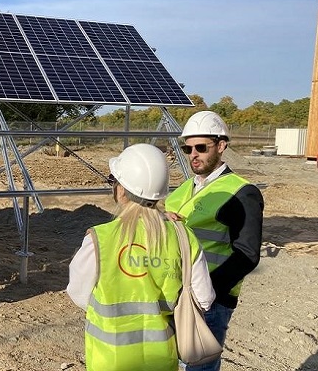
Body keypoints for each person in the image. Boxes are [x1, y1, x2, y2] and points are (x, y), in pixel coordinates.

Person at [67, 143, 215, 371]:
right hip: (161, 361)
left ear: (122, 190)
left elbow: (78, 294)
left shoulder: (99, 240)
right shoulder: (183, 236)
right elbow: (204, 299)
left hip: (109, 361)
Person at [164, 111, 264, 371]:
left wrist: (205, 293)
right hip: (176, 293)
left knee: (196, 367)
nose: (193, 154)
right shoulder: (185, 188)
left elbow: (247, 254)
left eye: (201, 147)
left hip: (210, 301)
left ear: (221, 146)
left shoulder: (242, 192)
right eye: (188, 148)